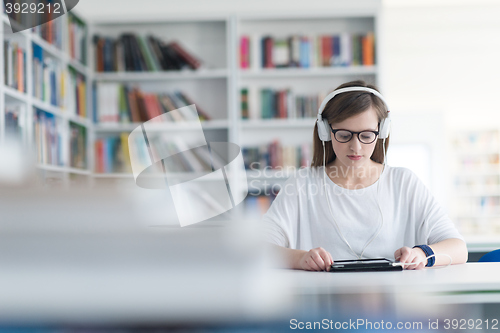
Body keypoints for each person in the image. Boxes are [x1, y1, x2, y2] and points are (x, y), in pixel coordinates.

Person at [262, 80, 468, 271]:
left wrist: (423, 253)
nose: (356, 147)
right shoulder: (303, 184)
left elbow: (459, 248)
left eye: (367, 135)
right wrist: (299, 258)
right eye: (343, 135)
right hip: (324, 304)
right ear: (326, 131)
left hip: (393, 303)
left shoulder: (403, 183)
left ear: (382, 132)